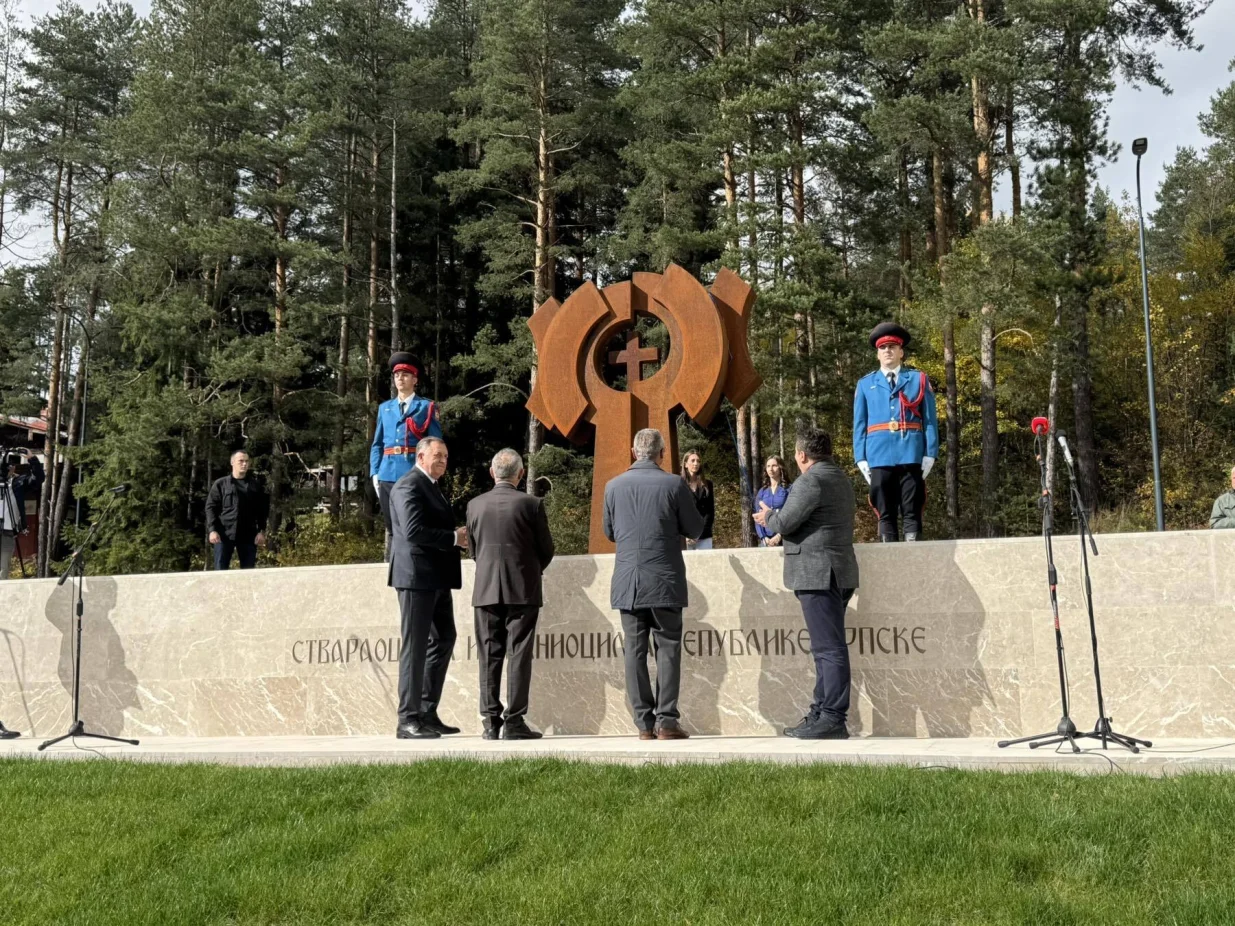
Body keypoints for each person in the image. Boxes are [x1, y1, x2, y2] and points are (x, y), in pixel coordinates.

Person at [754, 427, 859, 739]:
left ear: (801, 455)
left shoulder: (810, 480)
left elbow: (785, 523)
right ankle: (821, 711)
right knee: (825, 648)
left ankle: (832, 718)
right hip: (837, 570)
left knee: (829, 649)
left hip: (818, 573)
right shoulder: (839, 477)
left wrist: (768, 517)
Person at [603, 428, 706, 740]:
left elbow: (610, 533)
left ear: (635, 453)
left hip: (629, 581)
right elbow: (695, 528)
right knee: (668, 650)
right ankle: (666, 722)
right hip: (664, 580)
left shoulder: (613, 486)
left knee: (634, 652)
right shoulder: (674, 484)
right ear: (661, 454)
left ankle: (644, 725)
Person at [466, 448, 556, 740]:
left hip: (486, 589)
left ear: (492, 473)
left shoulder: (474, 505)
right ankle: (514, 723)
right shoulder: (532, 504)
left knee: (489, 655)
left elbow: (474, 551)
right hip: (523, 590)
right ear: (521, 473)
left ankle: (491, 723)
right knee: (519, 654)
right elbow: (547, 550)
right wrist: (528, 569)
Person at [387, 436, 466, 739]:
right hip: (416, 579)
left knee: (444, 638)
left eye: (446, 455)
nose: (443, 460)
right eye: (437, 455)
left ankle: (427, 712)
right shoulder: (408, 485)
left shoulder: (432, 487)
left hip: (436, 578)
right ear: (420, 457)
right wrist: (453, 538)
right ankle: (407, 719)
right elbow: (412, 531)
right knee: (415, 647)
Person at [852, 321, 939, 542]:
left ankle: (913, 556)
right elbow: (860, 424)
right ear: (877, 355)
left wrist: (930, 452)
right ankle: (889, 553)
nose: (887, 350)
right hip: (878, 456)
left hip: (911, 453)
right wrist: (860, 457)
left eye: (892, 346)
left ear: (901, 352)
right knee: (885, 512)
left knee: (912, 509)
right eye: (883, 348)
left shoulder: (918, 379)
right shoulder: (865, 384)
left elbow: (929, 420)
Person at [370, 352, 443, 552]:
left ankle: (415, 572)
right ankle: (395, 571)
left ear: (415, 379)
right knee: (393, 527)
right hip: (387, 474)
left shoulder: (426, 407)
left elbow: (436, 445)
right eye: (396, 375)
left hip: (414, 474)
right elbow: (377, 444)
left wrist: (432, 474)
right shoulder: (385, 408)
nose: (400, 379)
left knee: (414, 525)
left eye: (405, 375)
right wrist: (375, 473)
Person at [205, 450, 269, 570]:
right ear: (232, 462)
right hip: (224, 534)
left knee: (248, 571)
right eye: (241, 461)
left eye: (246, 461)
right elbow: (210, 508)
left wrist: (261, 531)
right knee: (220, 569)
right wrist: (212, 530)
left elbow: (262, 510)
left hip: (248, 534)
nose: (244, 464)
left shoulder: (255, 486)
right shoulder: (221, 484)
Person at [1, 449, 42, 580]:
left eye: (11, 465)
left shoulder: (17, 483)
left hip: (7, 532)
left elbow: (38, 478)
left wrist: (32, 460)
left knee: (3, 570)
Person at [754, 455, 792, 547]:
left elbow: (792, 515)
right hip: (766, 542)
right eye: (768, 466)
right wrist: (763, 537)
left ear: (781, 468)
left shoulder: (789, 489)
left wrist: (780, 536)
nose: (771, 469)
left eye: (774, 465)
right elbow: (757, 517)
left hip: (786, 539)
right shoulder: (762, 492)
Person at [680, 449, 714, 551]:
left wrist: (698, 534)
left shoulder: (708, 484)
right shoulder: (679, 484)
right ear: (685, 464)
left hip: (704, 536)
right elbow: (678, 512)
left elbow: (710, 512)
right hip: (684, 538)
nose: (696, 463)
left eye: (698, 461)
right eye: (693, 460)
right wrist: (686, 535)